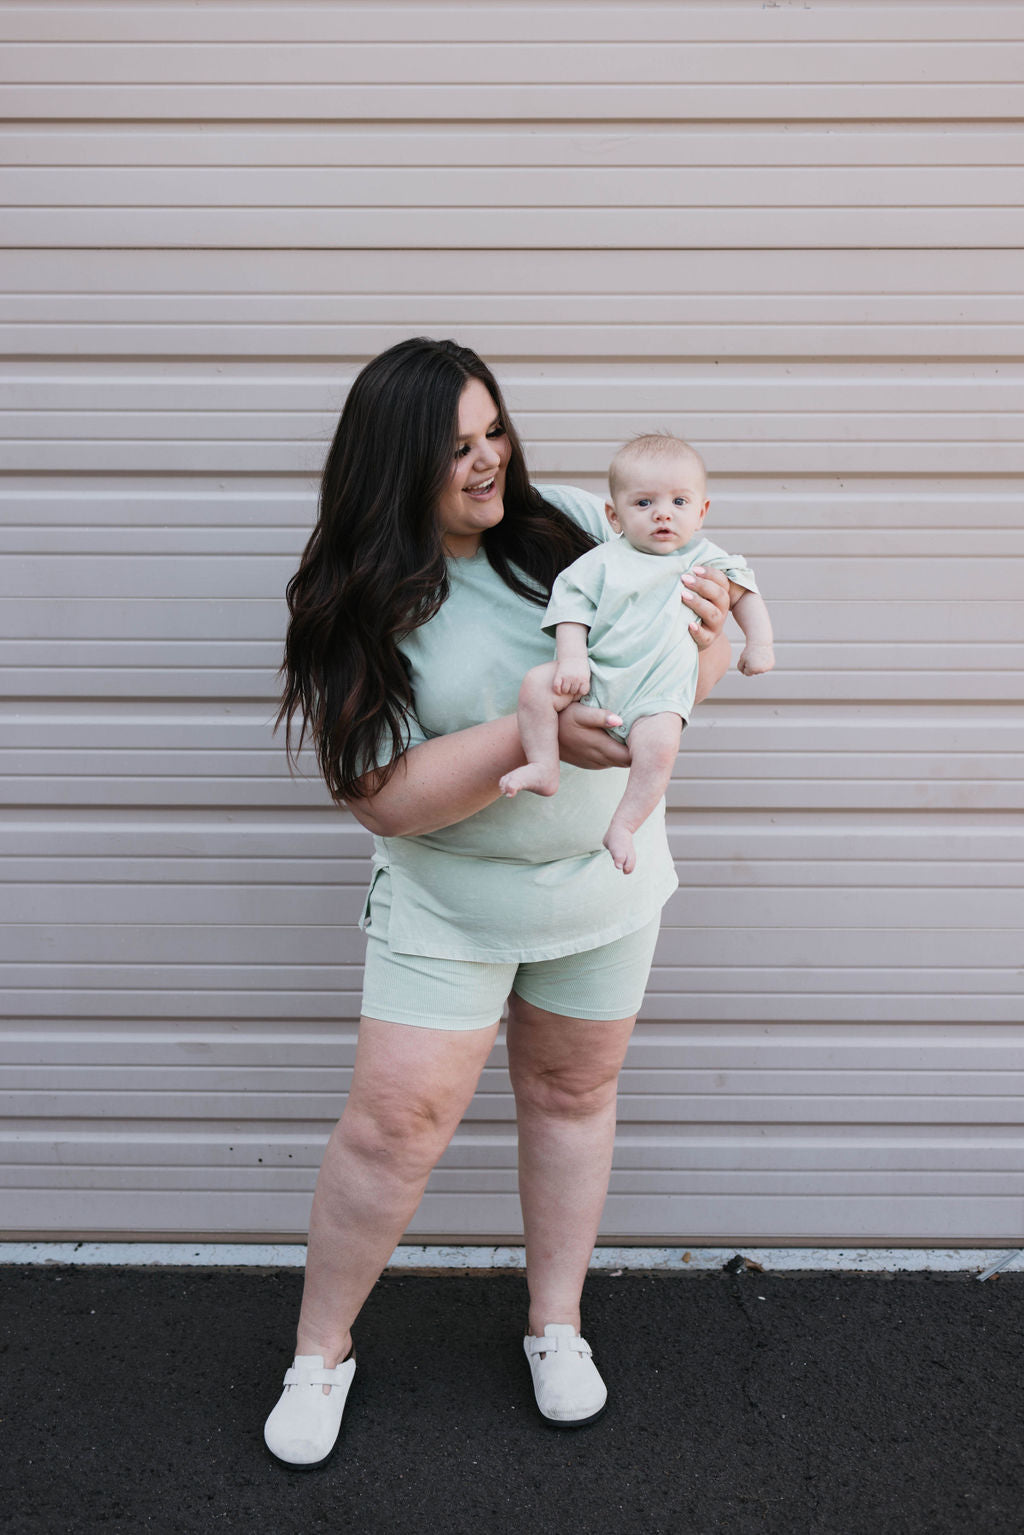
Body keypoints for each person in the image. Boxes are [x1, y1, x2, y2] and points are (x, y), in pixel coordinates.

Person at [264, 338, 731, 1469]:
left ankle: (554, 1325)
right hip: (448, 904)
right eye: (455, 446)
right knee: (393, 1130)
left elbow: (684, 668)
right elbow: (381, 798)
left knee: (574, 1094)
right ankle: (319, 1352)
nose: (488, 463)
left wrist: (700, 655)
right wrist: (529, 740)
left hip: (603, 888)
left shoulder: (571, 522)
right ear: (390, 465)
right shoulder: (355, 595)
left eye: (493, 430)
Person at [498, 434, 775, 873]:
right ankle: (543, 765)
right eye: (644, 503)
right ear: (615, 515)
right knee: (536, 685)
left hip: (655, 696)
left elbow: (746, 597)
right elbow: (571, 607)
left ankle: (624, 825)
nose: (663, 513)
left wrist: (758, 644)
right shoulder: (603, 561)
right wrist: (571, 658)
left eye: (680, 502)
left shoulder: (705, 559)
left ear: (702, 512)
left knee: (661, 748)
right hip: (597, 678)